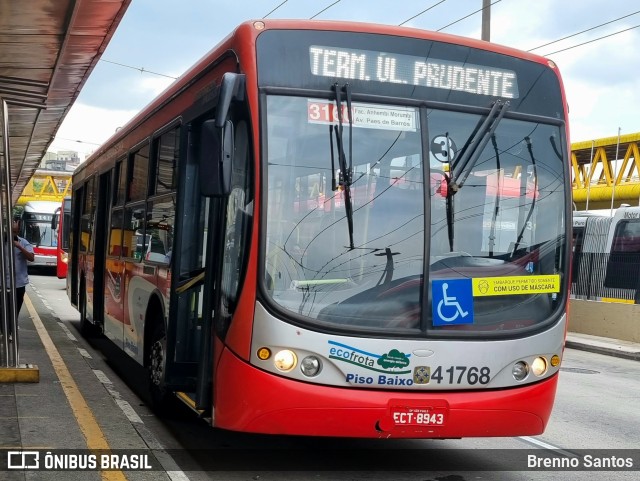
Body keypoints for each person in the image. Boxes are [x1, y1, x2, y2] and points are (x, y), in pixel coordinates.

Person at [3, 217, 35, 341]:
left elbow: (32, 258)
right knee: (4, 309)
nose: (13, 234)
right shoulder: (2, 242)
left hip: (19, 283)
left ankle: (10, 330)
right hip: (3, 283)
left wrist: (19, 247)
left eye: (16, 232)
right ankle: (5, 331)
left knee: (14, 309)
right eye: (11, 231)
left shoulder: (24, 242)